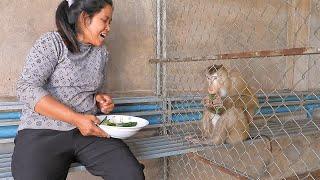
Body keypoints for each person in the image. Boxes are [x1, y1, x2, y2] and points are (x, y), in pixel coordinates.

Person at [11, 0, 145, 179]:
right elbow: (26, 88)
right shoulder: (52, 43)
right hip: (42, 131)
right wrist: (76, 119)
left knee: (130, 175)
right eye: (104, 20)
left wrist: (99, 101)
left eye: (110, 22)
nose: (108, 28)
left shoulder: (101, 53)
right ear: (84, 18)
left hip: (87, 132)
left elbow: (88, 93)